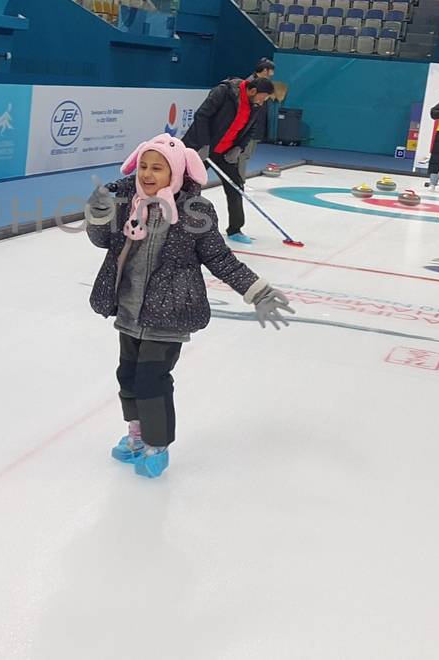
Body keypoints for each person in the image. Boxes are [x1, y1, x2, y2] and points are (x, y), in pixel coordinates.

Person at [84, 134, 293, 479]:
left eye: (158, 168)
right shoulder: (127, 203)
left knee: (153, 380)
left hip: (170, 312)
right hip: (129, 310)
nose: (148, 175)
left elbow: (220, 259)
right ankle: (136, 435)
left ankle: (157, 444)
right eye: (145, 167)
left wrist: (258, 291)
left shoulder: (194, 212)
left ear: (176, 173)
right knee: (129, 376)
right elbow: (103, 240)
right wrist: (97, 215)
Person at [184, 75, 274, 244]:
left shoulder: (256, 105)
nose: (262, 102)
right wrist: (203, 145)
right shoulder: (224, 92)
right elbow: (202, 116)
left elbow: (251, 128)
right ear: (252, 90)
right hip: (202, 149)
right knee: (188, 187)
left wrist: (238, 148)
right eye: (262, 98)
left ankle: (235, 229)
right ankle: (182, 226)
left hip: (226, 153)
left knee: (236, 187)